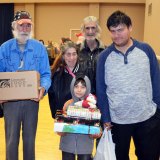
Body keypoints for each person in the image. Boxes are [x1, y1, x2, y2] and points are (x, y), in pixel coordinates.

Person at [96, 10, 160, 160]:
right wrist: (105, 117)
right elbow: (101, 88)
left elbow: (156, 79)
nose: (117, 35)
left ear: (130, 28)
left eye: (121, 30)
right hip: (117, 122)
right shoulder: (104, 57)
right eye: (113, 31)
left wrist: (158, 109)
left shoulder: (146, 50)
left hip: (147, 118)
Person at [0, 11, 51, 160]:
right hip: (10, 104)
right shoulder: (4, 49)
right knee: (11, 141)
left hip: (31, 102)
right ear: (14, 26)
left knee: (29, 141)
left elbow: (46, 74)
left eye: (28, 25)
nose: (25, 28)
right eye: (21, 25)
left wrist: (43, 88)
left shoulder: (39, 48)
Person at [58, 75, 101, 160]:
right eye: (76, 86)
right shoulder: (67, 104)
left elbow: (97, 127)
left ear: (88, 88)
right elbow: (61, 123)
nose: (79, 90)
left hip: (85, 147)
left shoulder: (92, 107)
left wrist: (96, 132)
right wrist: (60, 128)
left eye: (83, 87)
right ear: (72, 87)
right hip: (67, 145)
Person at [48, 41, 86, 119]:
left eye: (74, 54)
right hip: (62, 118)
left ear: (77, 55)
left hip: (81, 118)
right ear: (63, 56)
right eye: (68, 54)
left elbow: (91, 95)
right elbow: (52, 97)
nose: (71, 58)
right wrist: (56, 115)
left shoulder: (85, 72)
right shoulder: (56, 74)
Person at [79, 16, 105, 95]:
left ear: (97, 29)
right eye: (87, 28)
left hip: (100, 96)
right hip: (81, 96)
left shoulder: (105, 52)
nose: (90, 31)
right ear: (83, 30)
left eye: (93, 28)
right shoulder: (77, 51)